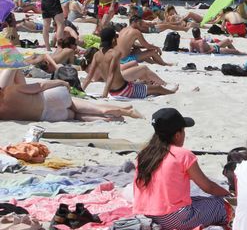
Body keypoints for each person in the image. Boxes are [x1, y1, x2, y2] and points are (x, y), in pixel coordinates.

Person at [133, 108, 232, 229]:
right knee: (222, 205)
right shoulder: (182, 155)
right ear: (177, 135)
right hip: (172, 218)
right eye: (184, 131)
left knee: (200, 200)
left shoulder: (144, 154)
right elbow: (208, 187)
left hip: (147, 214)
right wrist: (228, 195)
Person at [0, 69, 142, 122]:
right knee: (93, 107)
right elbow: (41, 86)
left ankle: (105, 119)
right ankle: (126, 111)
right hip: (49, 98)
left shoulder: (2, 114)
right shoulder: (11, 90)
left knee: (76, 116)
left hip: (48, 116)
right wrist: (61, 82)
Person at [85, 28, 177, 99]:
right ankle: (172, 93)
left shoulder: (97, 54)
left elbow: (89, 76)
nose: (117, 39)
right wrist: (104, 95)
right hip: (124, 90)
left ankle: (155, 85)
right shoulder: (115, 53)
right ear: (113, 40)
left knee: (144, 85)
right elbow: (111, 75)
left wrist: (80, 90)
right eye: (116, 37)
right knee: (158, 89)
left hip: (114, 91)